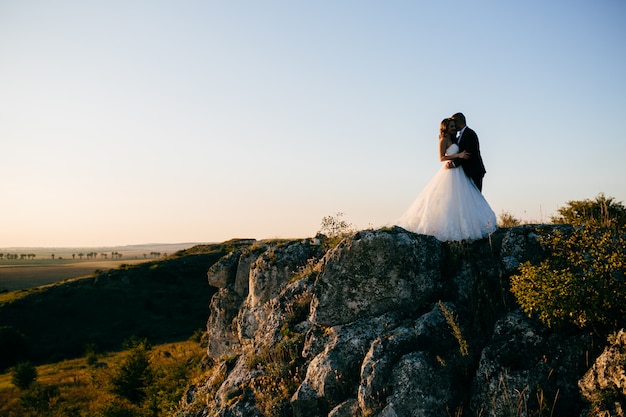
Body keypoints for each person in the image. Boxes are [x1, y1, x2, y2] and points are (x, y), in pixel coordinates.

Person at [395, 117, 497, 241]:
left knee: (463, 198)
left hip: (460, 171)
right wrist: (458, 155)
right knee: (448, 200)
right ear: (446, 128)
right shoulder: (443, 140)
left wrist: (458, 159)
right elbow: (441, 157)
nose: (454, 129)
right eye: (451, 126)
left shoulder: (457, 138)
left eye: (454, 126)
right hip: (450, 171)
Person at [447, 112, 486, 191]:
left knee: (475, 197)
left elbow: (468, 153)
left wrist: (454, 164)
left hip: (473, 170)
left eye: (454, 124)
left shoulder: (469, 133)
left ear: (459, 122)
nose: (454, 127)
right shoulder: (460, 136)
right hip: (466, 171)